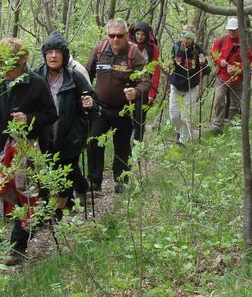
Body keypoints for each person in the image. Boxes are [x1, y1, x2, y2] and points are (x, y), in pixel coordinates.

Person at [0, 37, 57, 265]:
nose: (7, 70)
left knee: (24, 195)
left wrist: (29, 119)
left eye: (12, 66)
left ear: (23, 62)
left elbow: (51, 114)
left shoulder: (36, 83)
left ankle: (17, 246)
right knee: (6, 192)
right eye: (3, 64)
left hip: (27, 149)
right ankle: (24, 230)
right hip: (3, 149)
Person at [33, 32, 99, 220]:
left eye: (57, 52)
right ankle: (80, 188)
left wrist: (90, 105)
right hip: (46, 136)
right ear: (44, 55)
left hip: (71, 135)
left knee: (64, 168)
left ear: (64, 55)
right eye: (49, 52)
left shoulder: (76, 77)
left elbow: (96, 107)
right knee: (56, 169)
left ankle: (57, 212)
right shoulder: (37, 76)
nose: (53, 56)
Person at [86, 19, 150, 193]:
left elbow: (145, 81)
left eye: (119, 36)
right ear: (107, 35)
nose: (115, 39)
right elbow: (86, 75)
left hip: (124, 109)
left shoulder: (133, 53)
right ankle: (94, 181)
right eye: (112, 35)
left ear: (126, 35)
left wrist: (136, 92)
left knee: (122, 146)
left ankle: (121, 180)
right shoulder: (99, 50)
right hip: (100, 108)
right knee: (93, 141)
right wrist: (85, 95)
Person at [209, 17, 252, 133]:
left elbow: (250, 60)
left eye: (234, 30)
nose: (231, 32)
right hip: (222, 76)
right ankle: (217, 124)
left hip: (237, 78)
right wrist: (220, 61)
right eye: (230, 30)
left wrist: (238, 69)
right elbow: (213, 52)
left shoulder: (245, 42)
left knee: (235, 102)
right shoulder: (222, 39)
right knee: (219, 99)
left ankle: (233, 124)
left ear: (239, 29)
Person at [168, 26, 210, 144]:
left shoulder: (198, 50)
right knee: (174, 116)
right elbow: (171, 64)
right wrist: (168, 64)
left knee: (186, 116)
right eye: (184, 37)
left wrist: (203, 63)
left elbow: (207, 71)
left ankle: (183, 142)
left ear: (193, 39)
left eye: (189, 38)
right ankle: (179, 131)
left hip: (191, 87)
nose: (185, 41)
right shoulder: (176, 46)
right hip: (176, 86)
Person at [127, 21, 161, 141]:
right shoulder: (128, 44)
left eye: (142, 34)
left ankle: (138, 144)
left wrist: (153, 92)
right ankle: (126, 145)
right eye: (137, 34)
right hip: (128, 84)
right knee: (126, 116)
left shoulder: (153, 49)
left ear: (147, 35)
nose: (139, 37)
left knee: (140, 117)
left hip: (145, 85)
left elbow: (156, 70)